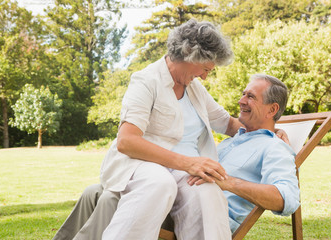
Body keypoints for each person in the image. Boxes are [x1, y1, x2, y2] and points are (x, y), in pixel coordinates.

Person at [54, 18, 241, 240]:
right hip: (142, 164)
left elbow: (228, 124)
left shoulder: (195, 88)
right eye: (205, 68)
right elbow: (127, 141)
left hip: (184, 171)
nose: (205, 76)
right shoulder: (146, 81)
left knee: (208, 192)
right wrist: (188, 163)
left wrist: (268, 130)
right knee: (160, 183)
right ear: (191, 55)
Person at [188, 74, 300, 233]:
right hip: (185, 201)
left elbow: (285, 198)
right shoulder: (232, 141)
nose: (241, 101)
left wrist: (227, 181)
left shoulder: (274, 147)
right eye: (243, 94)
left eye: (251, 96)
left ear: (272, 109)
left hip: (208, 219)